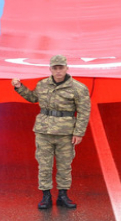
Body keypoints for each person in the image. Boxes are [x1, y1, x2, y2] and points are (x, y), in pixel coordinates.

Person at [11, 55, 91, 209]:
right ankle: (46, 196)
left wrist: (79, 132)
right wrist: (19, 87)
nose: (58, 71)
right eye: (55, 68)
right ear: (50, 69)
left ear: (67, 68)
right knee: (44, 165)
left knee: (64, 165)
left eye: (61, 67)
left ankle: (63, 195)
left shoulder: (78, 88)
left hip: (65, 133)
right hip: (44, 132)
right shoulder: (42, 84)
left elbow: (84, 111)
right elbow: (33, 98)